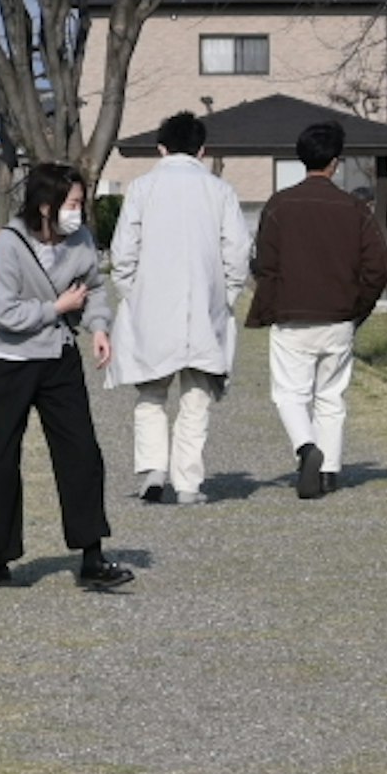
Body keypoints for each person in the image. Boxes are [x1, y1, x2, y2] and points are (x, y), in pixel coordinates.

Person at [0, 162, 134, 590]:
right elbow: (3, 314)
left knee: (81, 450)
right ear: (46, 206)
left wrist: (99, 326)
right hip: (8, 359)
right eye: (73, 203)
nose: (78, 211)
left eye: (80, 202)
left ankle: (93, 554)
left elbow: (95, 287)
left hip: (58, 355)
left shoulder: (80, 239)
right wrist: (55, 309)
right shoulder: (9, 245)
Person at [96, 111, 252, 505]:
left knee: (151, 392)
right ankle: (188, 483)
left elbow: (123, 251)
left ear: (161, 147)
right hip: (206, 306)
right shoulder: (220, 191)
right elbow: (237, 251)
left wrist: (131, 292)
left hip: (152, 305)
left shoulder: (142, 188)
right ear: (202, 150)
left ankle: (153, 469)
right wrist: (228, 294)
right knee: (196, 397)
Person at [250, 118, 387, 500]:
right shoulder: (354, 208)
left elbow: (264, 263)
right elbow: (378, 267)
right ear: (336, 162)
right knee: (331, 395)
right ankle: (328, 471)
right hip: (339, 317)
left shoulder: (280, 205)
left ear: (301, 158)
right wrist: (357, 308)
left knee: (290, 394)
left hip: (292, 316)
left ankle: (306, 448)